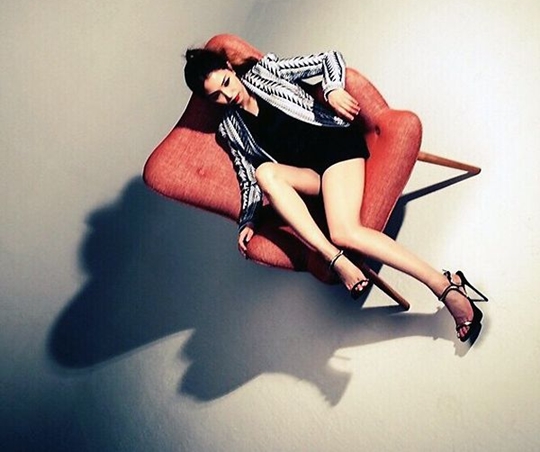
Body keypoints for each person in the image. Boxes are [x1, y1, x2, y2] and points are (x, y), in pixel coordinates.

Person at [183, 45, 488, 344]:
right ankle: (334, 258)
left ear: (230, 68)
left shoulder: (267, 71)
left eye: (226, 82)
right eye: (216, 96)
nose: (228, 95)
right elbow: (245, 175)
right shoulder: (230, 128)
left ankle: (444, 286)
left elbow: (328, 59)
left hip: (334, 148)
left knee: (344, 232)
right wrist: (248, 220)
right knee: (263, 174)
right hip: (311, 176)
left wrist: (331, 90)